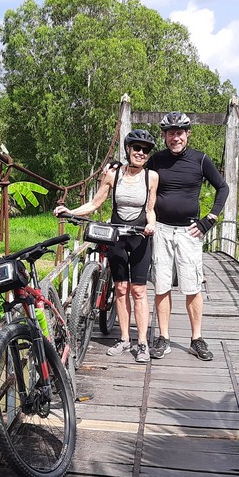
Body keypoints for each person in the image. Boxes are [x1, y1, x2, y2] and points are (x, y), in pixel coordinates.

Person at [53, 130, 159, 362]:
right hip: (117, 237)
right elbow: (95, 202)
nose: (141, 153)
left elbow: (150, 210)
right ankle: (123, 339)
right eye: (137, 148)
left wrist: (151, 225)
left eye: (146, 150)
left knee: (138, 291)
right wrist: (70, 211)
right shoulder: (113, 174)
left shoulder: (151, 177)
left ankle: (142, 343)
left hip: (140, 237)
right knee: (121, 289)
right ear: (128, 148)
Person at [147, 111, 229, 361]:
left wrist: (210, 220)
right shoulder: (155, 160)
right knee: (161, 286)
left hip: (189, 232)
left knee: (192, 287)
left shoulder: (201, 159)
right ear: (164, 136)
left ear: (188, 134)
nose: (175, 137)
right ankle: (164, 337)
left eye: (180, 132)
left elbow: (223, 188)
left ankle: (196, 339)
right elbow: (136, 176)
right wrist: (117, 168)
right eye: (170, 133)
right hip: (161, 229)